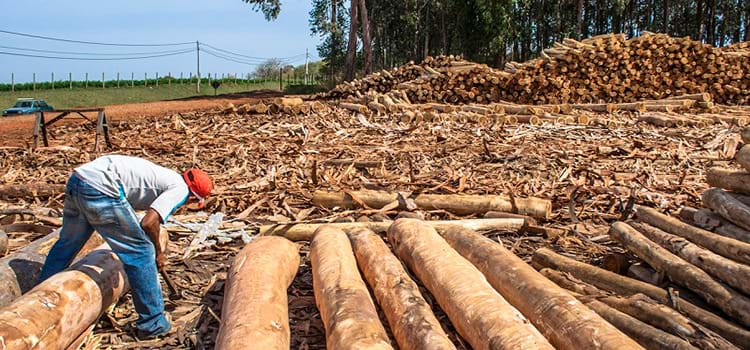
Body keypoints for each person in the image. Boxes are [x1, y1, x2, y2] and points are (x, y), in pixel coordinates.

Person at [38, 155, 213, 338]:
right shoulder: (180, 190)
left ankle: (39, 297)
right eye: (193, 202)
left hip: (79, 179)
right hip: (101, 188)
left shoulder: (167, 176)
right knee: (142, 253)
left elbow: (138, 219)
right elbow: (149, 222)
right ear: (194, 197)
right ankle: (153, 324)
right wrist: (158, 253)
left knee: (68, 243)